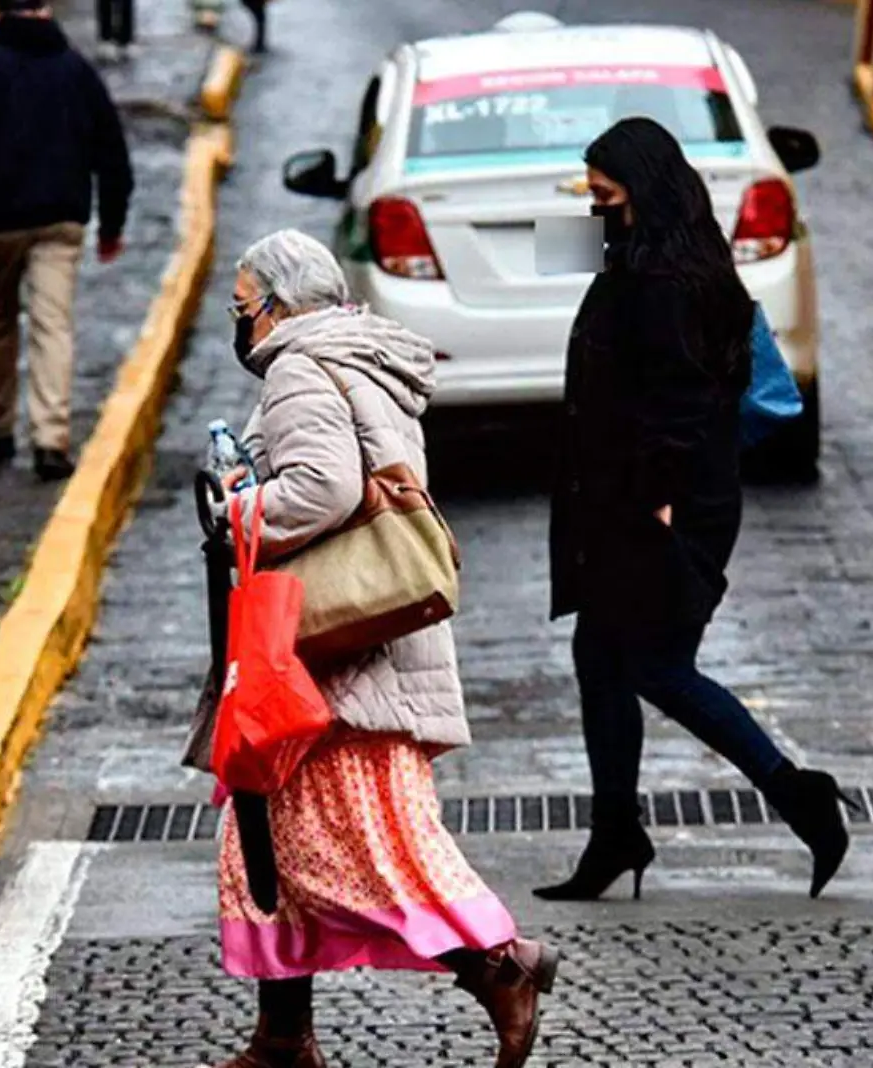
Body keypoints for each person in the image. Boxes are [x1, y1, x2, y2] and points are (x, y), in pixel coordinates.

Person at [209, 229, 557, 1068]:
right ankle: (283, 1039)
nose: (240, 321)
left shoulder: (299, 366)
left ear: (283, 307)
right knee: (270, 842)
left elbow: (321, 488)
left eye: (244, 306)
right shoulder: (361, 357)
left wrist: (236, 510)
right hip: (371, 645)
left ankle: (502, 968)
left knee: (353, 851)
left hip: (335, 657)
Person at [540, 118, 854, 903]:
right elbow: (547, 258)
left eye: (605, 197)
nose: (593, 210)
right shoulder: (644, 253)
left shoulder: (669, 285)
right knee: (599, 659)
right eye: (591, 197)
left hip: (665, 509)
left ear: (642, 196)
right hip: (626, 505)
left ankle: (800, 796)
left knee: (654, 667)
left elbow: (681, 418)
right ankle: (615, 834)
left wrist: (658, 508)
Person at [0, 0, 133, 483]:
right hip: (60, 218)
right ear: (46, 7)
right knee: (52, 325)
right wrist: (112, 225)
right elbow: (111, 151)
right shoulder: (75, 70)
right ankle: (50, 438)